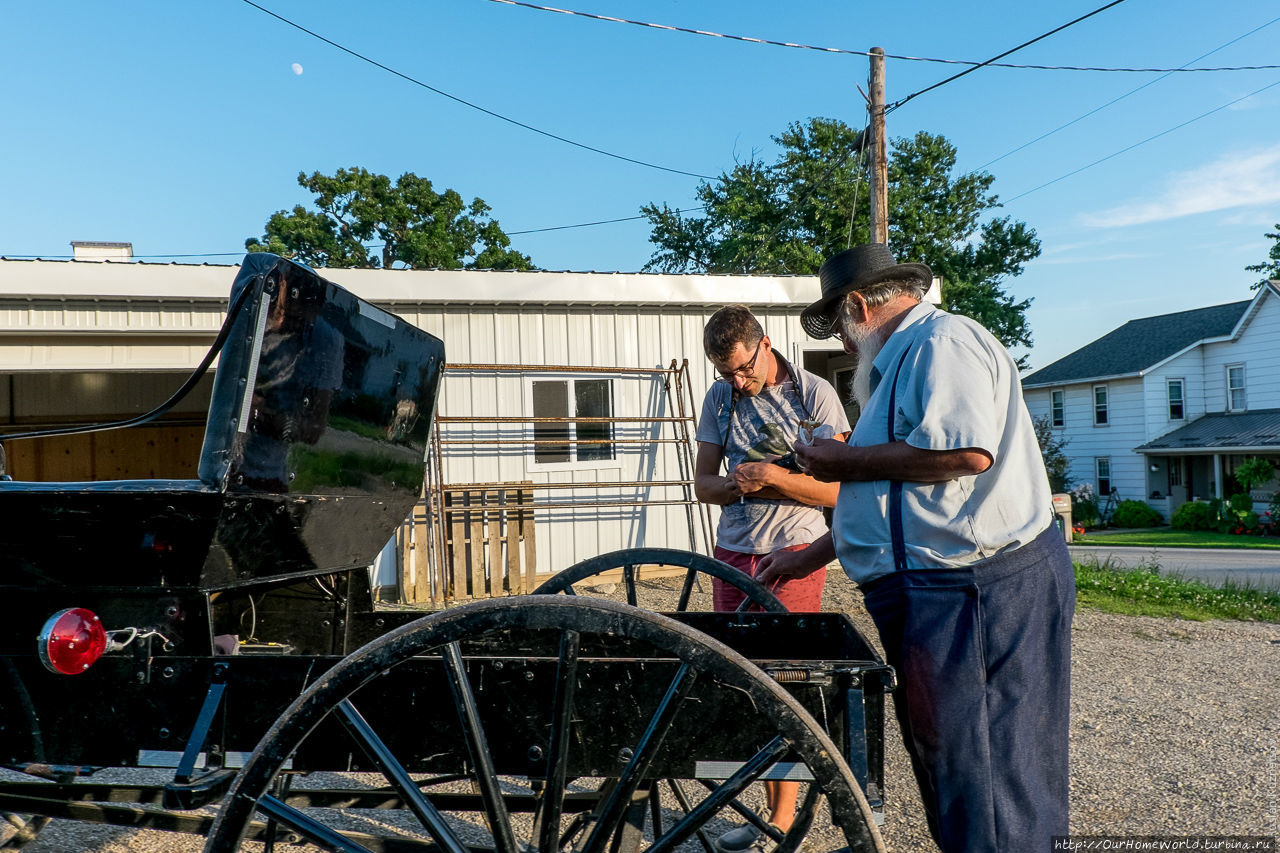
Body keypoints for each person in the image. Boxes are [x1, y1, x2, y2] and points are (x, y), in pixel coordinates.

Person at [756, 244, 1075, 853]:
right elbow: (901, 499)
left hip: (974, 590)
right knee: (954, 764)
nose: (846, 347)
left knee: (986, 768)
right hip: (940, 591)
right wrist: (812, 554)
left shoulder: (942, 342)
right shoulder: (903, 359)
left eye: (842, 331)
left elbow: (963, 455)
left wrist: (843, 460)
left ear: (858, 306)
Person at [693, 304, 850, 851]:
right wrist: (740, 485)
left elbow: (837, 492)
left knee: (788, 683)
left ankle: (781, 822)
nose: (738, 381)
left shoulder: (813, 395)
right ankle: (755, 809)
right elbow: (703, 486)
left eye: (743, 368)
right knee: (737, 679)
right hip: (732, 552)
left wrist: (776, 479)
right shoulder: (719, 399)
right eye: (726, 373)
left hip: (795, 550)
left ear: (765, 344)